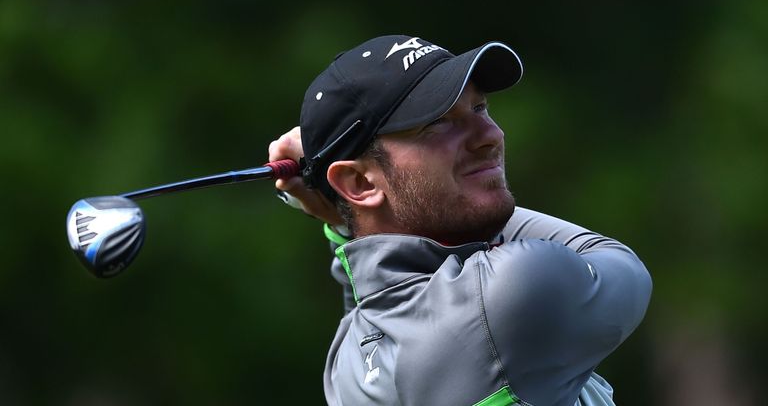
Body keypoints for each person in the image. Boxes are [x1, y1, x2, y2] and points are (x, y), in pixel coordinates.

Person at [268, 35, 652, 406]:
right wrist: (342, 207)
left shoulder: (350, 360)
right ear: (361, 181)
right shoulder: (514, 294)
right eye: (437, 123)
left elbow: (367, 274)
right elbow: (618, 262)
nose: (491, 135)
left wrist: (346, 211)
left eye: (479, 108)